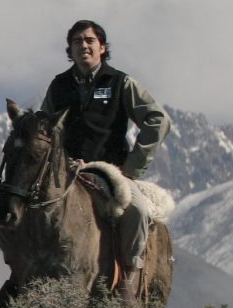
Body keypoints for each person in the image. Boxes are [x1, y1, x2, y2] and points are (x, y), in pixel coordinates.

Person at [39, 18, 172, 272]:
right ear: (70, 50)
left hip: (110, 173)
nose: (83, 46)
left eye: (90, 40)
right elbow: (45, 130)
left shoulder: (121, 83)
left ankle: (129, 275)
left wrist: (131, 168)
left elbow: (159, 120)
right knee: (23, 208)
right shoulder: (58, 86)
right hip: (67, 171)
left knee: (138, 210)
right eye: (77, 41)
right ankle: (18, 274)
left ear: (102, 47)